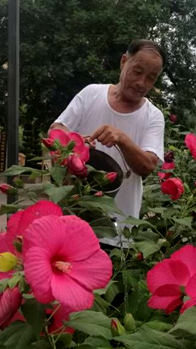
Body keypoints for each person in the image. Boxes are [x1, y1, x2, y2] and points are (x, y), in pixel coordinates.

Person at [49, 39, 165, 246]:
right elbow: (55, 129)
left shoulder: (153, 116)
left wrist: (122, 139)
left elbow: (147, 166)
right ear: (123, 62)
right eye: (137, 72)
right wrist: (77, 142)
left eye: (151, 78)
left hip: (117, 233)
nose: (142, 83)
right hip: (71, 221)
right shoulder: (91, 93)